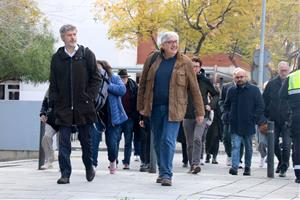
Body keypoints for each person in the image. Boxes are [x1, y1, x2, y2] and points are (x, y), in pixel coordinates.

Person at [137, 31, 205, 186]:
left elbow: (194, 89)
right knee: (158, 142)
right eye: (170, 42)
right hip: (154, 108)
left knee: (168, 140)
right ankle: (162, 171)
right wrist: (140, 107)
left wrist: (200, 112)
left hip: (174, 109)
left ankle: (167, 174)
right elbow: (143, 85)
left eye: (176, 41)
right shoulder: (152, 59)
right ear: (163, 45)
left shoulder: (185, 62)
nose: (174, 44)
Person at [49, 24, 101, 184]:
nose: (73, 37)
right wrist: (55, 103)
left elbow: (96, 78)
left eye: (74, 34)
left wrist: (89, 97)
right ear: (63, 37)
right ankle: (65, 174)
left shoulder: (86, 55)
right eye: (69, 35)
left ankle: (88, 166)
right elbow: (53, 83)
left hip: (84, 107)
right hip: (63, 108)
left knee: (86, 142)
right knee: (64, 143)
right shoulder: (57, 58)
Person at [223, 68, 267, 176]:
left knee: (248, 147)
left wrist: (254, 117)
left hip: (248, 123)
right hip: (235, 123)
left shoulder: (254, 90)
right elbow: (226, 105)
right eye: (237, 77)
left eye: (241, 77)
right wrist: (227, 115)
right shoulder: (231, 90)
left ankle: (247, 167)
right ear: (234, 78)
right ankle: (234, 167)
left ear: (246, 77)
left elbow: (260, 106)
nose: (239, 79)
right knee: (235, 146)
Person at [183, 57, 219, 174]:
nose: (194, 68)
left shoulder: (205, 80)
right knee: (189, 143)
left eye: (196, 66)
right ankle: (191, 165)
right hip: (187, 114)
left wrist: (210, 105)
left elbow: (216, 95)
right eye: (192, 66)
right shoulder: (184, 79)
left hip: (202, 114)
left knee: (197, 138)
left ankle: (196, 163)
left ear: (200, 68)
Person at [95, 60, 128, 174]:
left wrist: (106, 84)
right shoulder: (93, 79)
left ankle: (113, 160)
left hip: (112, 116)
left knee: (112, 143)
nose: (98, 71)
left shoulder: (114, 78)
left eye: (100, 69)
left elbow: (122, 90)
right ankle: (93, 165)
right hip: (97, 115)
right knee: (93, 141)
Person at [263, 61, 292, 177]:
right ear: (278, 71)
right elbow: (264, 101)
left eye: (285, 70)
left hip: (288, 120)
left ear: (289, 70)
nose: (283, 72)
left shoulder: (292, 82)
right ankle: (280, 160)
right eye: (281, 70)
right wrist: (265, 117)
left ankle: (284, 166)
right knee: (272, 144)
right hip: (273, 120)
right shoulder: (271, 84)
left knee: (286, 145)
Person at [279, 59, 300, 183]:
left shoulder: (291, 77)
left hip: (297, 115)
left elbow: (281, 96)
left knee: (298, 144)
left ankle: (299, 174)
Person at [117, 69, 139, 170]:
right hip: (118, 118)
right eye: (121, 78)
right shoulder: (116, 87)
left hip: (129, 118)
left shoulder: (133, 87)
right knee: (115, 141)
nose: (123, 79)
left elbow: (136, 102)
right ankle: (114, 160)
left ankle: (126, 162)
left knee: (128, 141)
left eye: (124, 77)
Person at [40, 89, 59, 170]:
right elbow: (44, 103)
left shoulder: (69, 85)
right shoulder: (50, 89)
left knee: (62, 142)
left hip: (65, 120)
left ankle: (63, 164)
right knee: (46, 137)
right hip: (51, 119)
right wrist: (42, 113)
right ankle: (49, 160)